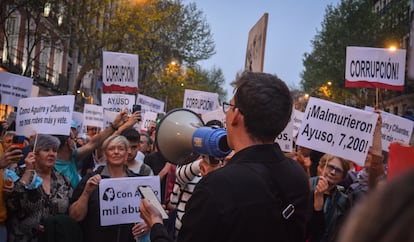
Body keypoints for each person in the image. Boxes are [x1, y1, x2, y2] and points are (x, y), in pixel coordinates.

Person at [140, 71, 311, 242]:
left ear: (236, 115)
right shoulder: (298, 175)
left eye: (229, 106)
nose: (227, 114)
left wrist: (156, 225)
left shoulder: (216, 186)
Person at [69, 135, 148, 242]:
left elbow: (154, 214)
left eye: (121, 149)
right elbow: (75, 216)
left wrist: (147, 223)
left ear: (126, 154)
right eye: (111, 148)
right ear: (105, 154)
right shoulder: (91, 180)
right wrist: (86, 193)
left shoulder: (137, 182)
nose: (116, 152)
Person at [6, 134, 73, 242]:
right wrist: (28, 171)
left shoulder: (64, 180)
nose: (52, 154)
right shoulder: (17, 173)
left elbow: (69, 213)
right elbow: (12, 205)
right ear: (34, 154)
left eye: (54, 150)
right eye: (46, 150)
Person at [55, 109, 141, 188]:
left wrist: (114, 126)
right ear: (67, 142)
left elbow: (93, 144)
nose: (76, 141)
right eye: (73, 138)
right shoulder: (52, 166)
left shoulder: (72, 156)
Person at [338, 168, 414, 242]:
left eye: (385, 194)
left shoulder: (397, 219)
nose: (382, 198)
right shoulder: (365, 217)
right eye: (379, 193)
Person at [307, 154, 351, 242]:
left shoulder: (343, 200)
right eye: (330, 167)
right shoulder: (306, 186)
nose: (333, 172)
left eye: (338, 170)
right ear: (321, 167)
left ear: (343, 177)